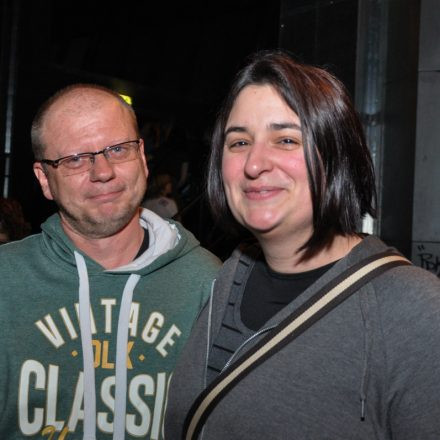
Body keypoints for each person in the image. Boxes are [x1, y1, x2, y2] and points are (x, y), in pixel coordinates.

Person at [165, 50, 440, 439]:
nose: (255, 164)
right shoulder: (229, 276)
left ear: (336, 155)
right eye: (239, 142)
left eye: (286, 139)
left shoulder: (415, 310)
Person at [0, 84, 220, 439]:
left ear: (142, 157)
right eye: (74, 158)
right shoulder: (5, 282)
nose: (102, 171)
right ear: (44, 179)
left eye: (117, 149)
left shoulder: (206, 284)